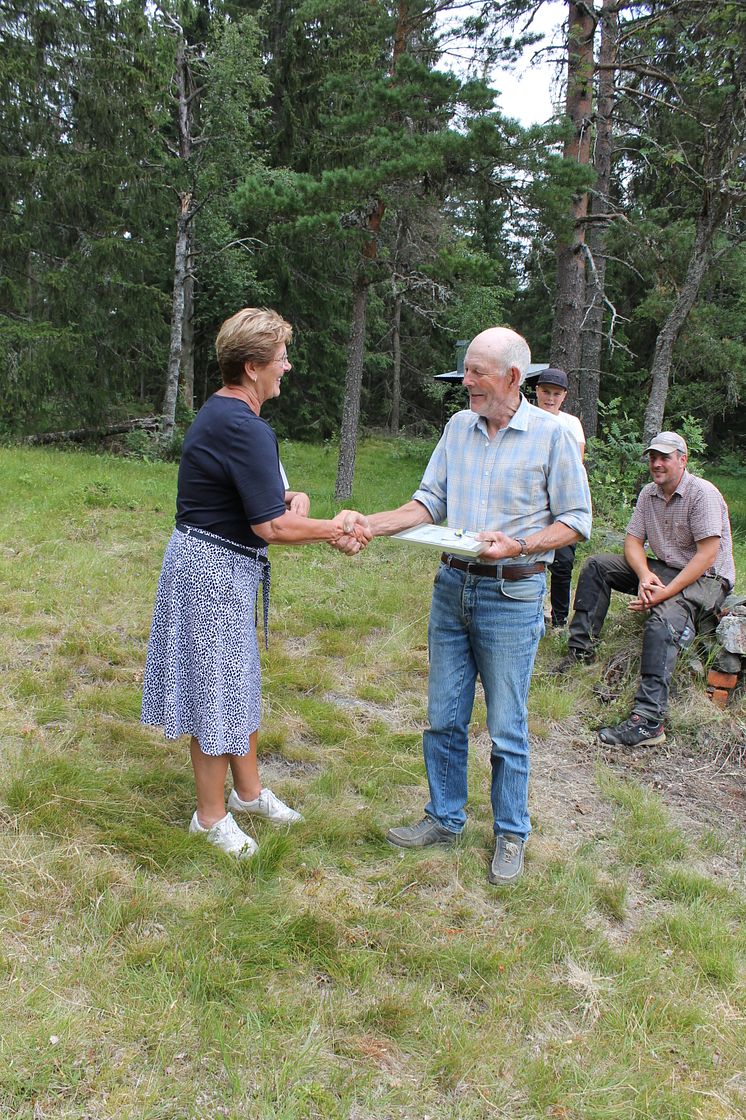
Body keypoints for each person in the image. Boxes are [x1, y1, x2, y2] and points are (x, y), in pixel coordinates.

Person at [358, 327, 592, 883]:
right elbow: (428, 501)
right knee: (444, 715)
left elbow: (577, 521)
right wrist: (370, 524)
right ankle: (444, 817)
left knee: (508, 725)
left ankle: (511, 833)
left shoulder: (552, 437)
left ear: (513, 378)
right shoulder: (458, 428)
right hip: (452, 587)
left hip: (513, 591)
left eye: (476, 373)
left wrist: (523, 543)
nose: (465, 383)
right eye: (465, 370)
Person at [142, 307, 370, 859]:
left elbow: (264, 504)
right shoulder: (242, 425)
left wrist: (295, 504)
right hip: (209, 573)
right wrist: (334, 526)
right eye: (280, 358)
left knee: (235, 686)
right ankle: (210, 816)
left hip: (218, 567)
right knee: (215, 695)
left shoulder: (226, 415)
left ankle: (246, 794)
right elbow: (271, 526)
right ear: (251, 367)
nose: (287, 367)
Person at [561, 431, 735, 748]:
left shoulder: (702, 494)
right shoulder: (648, 494)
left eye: (664, 457)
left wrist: (664, 594)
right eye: (653, 457)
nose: (657, 463)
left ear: (683, 460)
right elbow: (632, 541)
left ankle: (649, 720)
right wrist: (643, 576)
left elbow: (707, 555)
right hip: (667, 567)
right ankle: (579, 654)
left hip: (709, 578)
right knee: (598, 565)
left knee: (662, 620)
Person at [532, 367, 586, 628]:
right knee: (530, 557)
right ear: (536, 391)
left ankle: (559, 619)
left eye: (556, 393)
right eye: (545, 392)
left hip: (562, 502)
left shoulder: (571, 424)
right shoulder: (525, 419)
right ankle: (533, 611)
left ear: (564, 395)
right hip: (532, 502)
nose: (550, 398)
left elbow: (577, 464)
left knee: (562, 563)